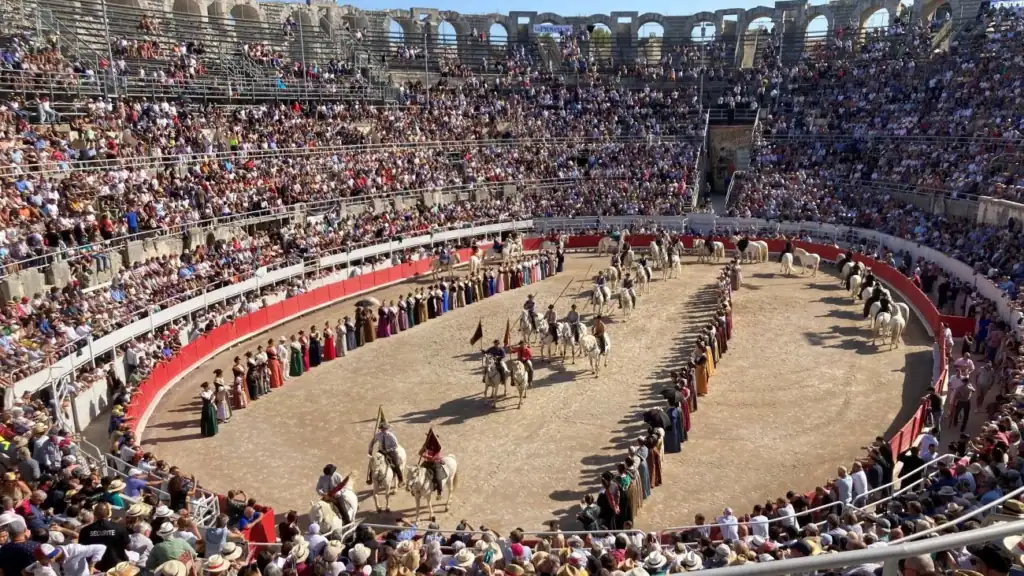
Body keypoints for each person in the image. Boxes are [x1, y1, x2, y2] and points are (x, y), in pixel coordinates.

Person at [418, 429, 445, 497]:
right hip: (427, 463)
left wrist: (424, 455)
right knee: (418, 471)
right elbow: (419, 453)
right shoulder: (427, 445)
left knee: (438, 477)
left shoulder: (438, 447)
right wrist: (422, 450)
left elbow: (434, 458)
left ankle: (439, 492)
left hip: (435, 463)